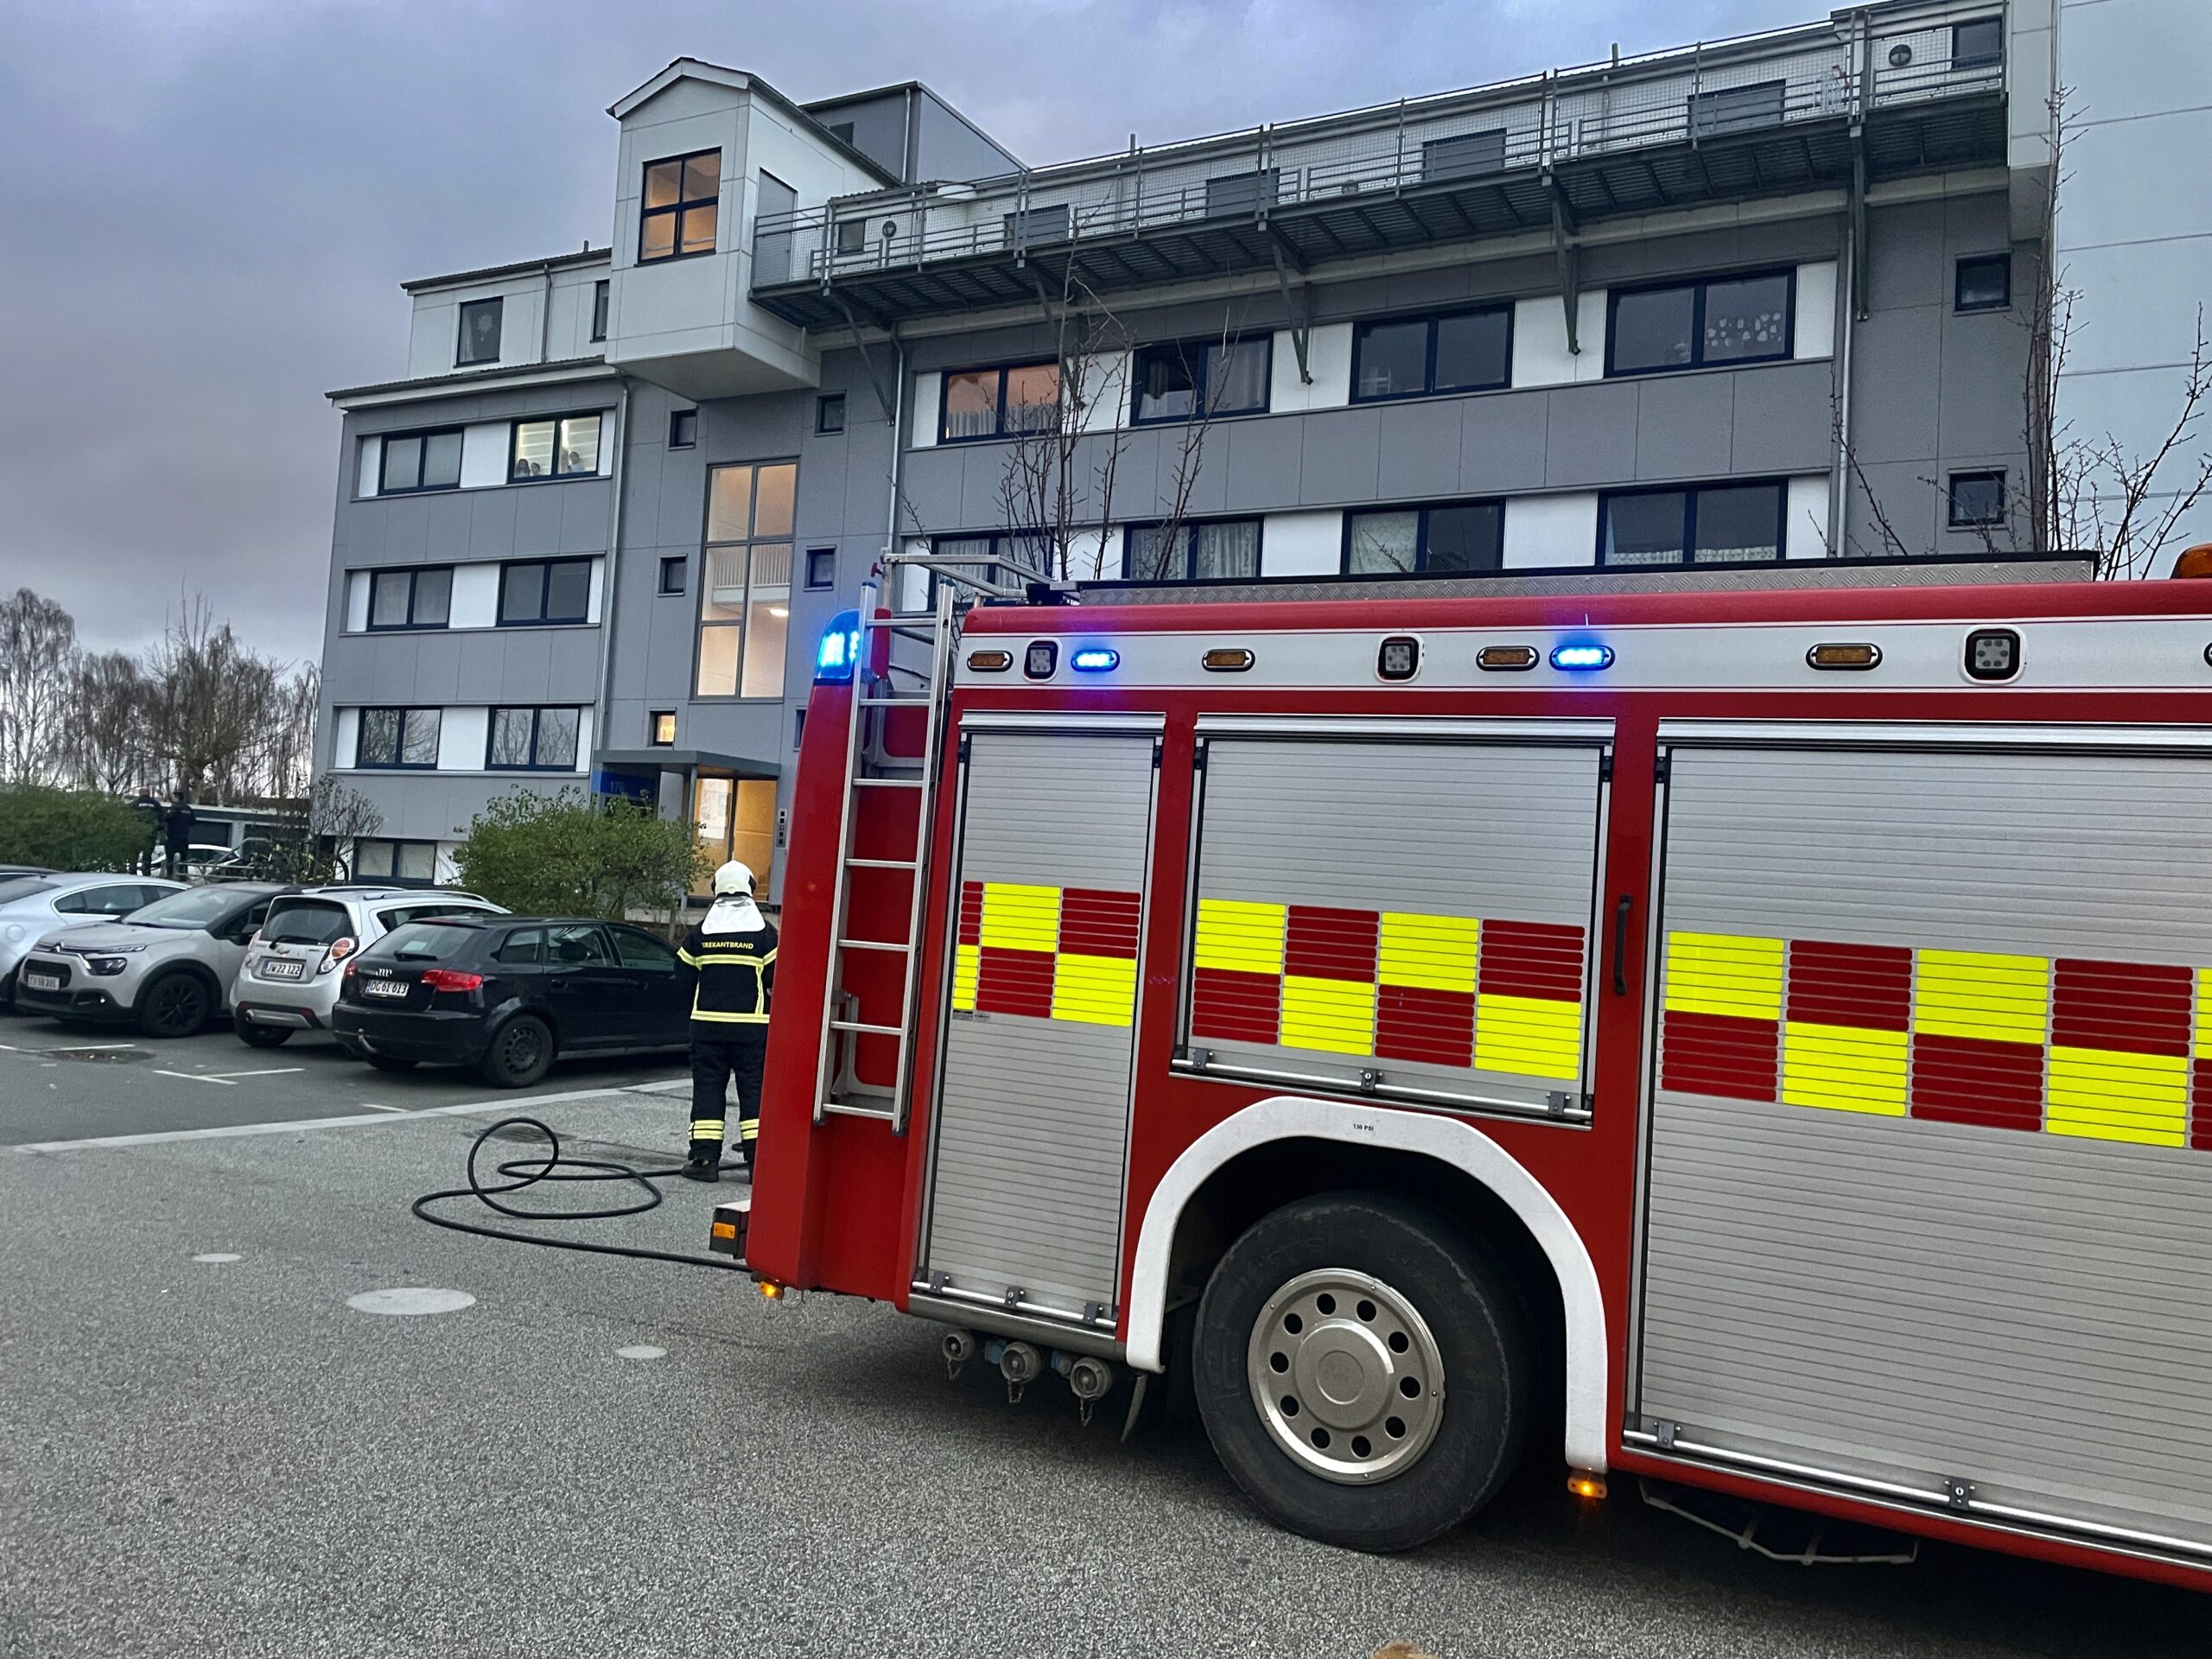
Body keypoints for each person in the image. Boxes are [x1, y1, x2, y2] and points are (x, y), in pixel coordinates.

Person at [673, 861, 778, 1182]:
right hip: (751, 1029)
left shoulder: (701, 933)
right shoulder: (764, 935)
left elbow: (681, 978)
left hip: (707, 1029)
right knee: (753, 1090)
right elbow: (778, 978)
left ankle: (705, 1160)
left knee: (708, 1089)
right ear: (750, 888)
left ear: (716, 889)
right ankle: (757, 1163)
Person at [162, 790, 197, 880]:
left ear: (176, 797)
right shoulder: (188, 808)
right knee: (183, 858)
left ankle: (169, 875)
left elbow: (166, 818)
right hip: (184, 837)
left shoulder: (174, 808)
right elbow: (193, 821)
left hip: (173, 837)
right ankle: (183, 875)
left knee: (170, 858)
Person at [129, 786, 162, 876]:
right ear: (149, 793)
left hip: (136, 834)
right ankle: (146, 874)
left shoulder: (134, 804)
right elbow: (161, 820)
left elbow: (128, 818)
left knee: (133, 855)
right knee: (147, 856)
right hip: (150, 835)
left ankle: (132, 873)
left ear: (140, 793)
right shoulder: (156, 804)